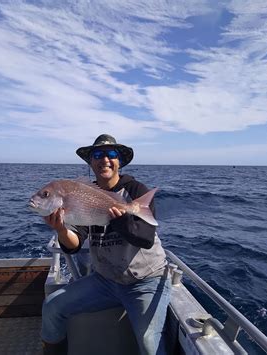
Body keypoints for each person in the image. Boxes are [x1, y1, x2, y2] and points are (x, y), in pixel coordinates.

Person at [41, 134, 171, 355]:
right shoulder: (82, 196)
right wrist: (61, 229)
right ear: (91, 162)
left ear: (119, 161)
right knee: (53, 306)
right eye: (98, 155)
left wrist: (119, 220)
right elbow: (73, 246)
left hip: (145, 281)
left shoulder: (135, 190)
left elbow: (146, 239)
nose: (105, 159)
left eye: (111, 154)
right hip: (105, 280)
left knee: (150, 345)